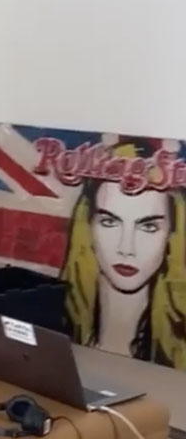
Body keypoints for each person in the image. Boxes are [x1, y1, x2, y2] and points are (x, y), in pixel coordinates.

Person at [60, 141, 186, 368]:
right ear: (88, 227)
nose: (126, 248)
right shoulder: (54, 320)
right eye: (109, 222)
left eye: (148, 227)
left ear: (172, 235)